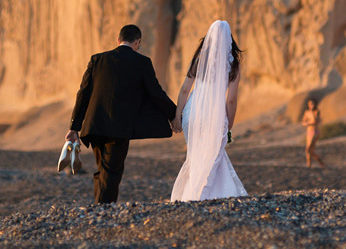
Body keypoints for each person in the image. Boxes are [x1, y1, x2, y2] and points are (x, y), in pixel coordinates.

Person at [65, 24, 177, 203]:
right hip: (119, 128)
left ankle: (99, 210)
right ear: (138, 41)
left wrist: (74, 127)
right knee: (111, 172)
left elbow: (83, 94)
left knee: (103, 170)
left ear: (118, 40)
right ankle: (104, 211)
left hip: (94, 126)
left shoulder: (97, 60)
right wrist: (174, 115)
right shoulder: (142, 62)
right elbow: (156, 94)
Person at [171, 20, 247, 201]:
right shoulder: (233, 65)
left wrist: (177, 116)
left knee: (196, 155)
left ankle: (193, 194)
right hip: (215, 114)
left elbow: (184, 90)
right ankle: (208, 193)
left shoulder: (199, 60)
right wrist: (229, 123)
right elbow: (231, 100)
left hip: (193, 112)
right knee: (213, 155)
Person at [301, 98, 326, 168]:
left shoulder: (316, 112)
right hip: (309, 132)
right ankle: (320, 161)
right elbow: (303, 122)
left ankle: (308, 164)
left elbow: (315, 121)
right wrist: (307, 123)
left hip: (315, 132)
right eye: (309, 104)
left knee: (307, 149)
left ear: (315, 104)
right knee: (311, 151)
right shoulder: (306, 112)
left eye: (312, 104)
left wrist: (312, 113)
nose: (311, 105)